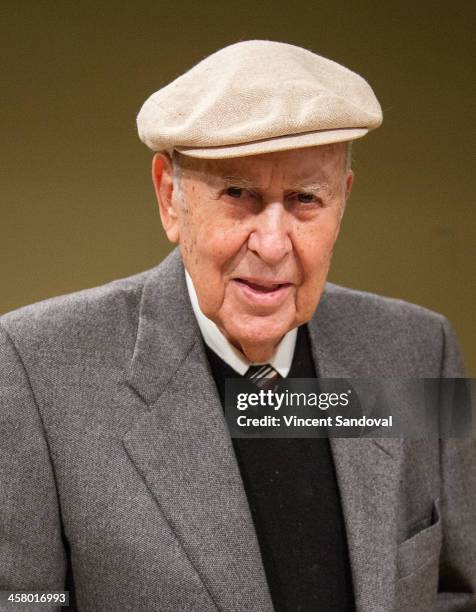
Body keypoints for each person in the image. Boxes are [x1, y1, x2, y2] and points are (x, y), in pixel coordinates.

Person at [0, 40, 474, 612]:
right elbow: (20, 599)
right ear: (170, 198)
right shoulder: (34, 365)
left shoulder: (422, 348)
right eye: (238, 194)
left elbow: (457, 590)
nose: (273, 245)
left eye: (305, 198)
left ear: (342, 201)